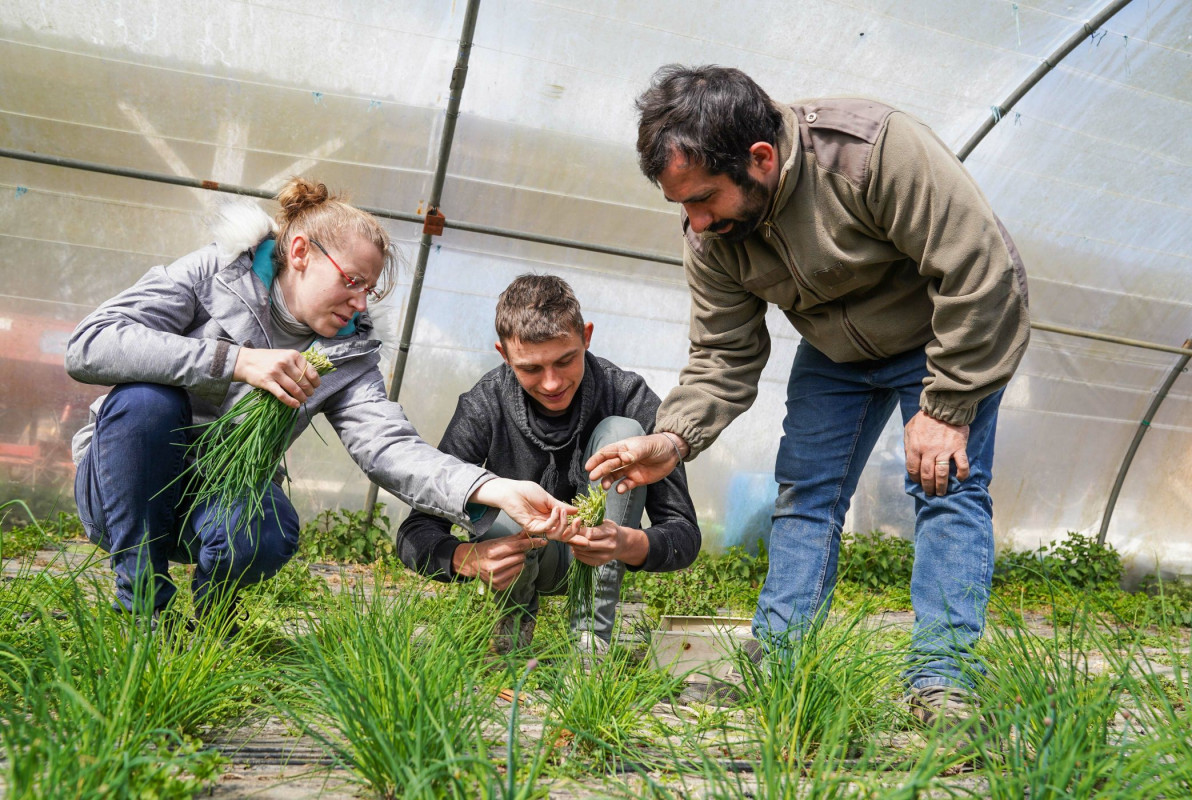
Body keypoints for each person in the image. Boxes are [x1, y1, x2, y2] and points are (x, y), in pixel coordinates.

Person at [586, 65, 1030, 723]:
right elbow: (722, 355)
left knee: (946, 488)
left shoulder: (872, 151)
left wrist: (948, 405)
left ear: (760, 159)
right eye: (681, 204)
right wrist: (673, 436)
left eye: (704, 198)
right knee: (805, 494)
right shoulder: (710, 238)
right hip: (836, 351)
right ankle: (782, 664)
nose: (696, 221)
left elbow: (980, 272)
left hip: (945, 332)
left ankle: (942, 680)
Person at [67, 178, 571, 628]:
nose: (360, 302)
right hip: (124, 487)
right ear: (302, 251)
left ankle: (214, 613)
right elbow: (90, 345)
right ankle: (141, 608)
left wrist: (492, 487)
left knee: (269, 532)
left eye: (369, 290)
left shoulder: (346, 356)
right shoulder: (212, 274)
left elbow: (388, 448)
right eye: (352, 281)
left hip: (213, 497)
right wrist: (236, 361)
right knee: (147, 402)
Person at [397, 274, 700, 654]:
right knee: (498, 507)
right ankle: (512, 628)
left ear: (586, 336)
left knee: (623, 431)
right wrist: (463, 558)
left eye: (565, 360)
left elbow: (683, 534)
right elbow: (416, 528)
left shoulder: (628, 395)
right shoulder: (484, 405)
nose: (552, 383)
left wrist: (624, 542)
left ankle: (590, 642)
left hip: (601, 555)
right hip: (521, 551)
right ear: (504, 355)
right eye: (531, 369)